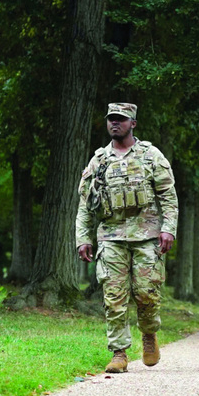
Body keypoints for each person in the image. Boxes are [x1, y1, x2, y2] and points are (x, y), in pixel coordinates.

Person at [76, 102, 178, 374]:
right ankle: (119, 352)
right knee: (114, 296)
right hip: (111, 237)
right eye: (111, 118)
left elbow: (168, 196)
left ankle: (149, 333)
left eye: (121, 119)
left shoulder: (150, 156)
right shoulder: (99, 160)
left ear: (133, 123)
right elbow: (85, 204)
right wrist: (83, 238)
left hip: (147, 236)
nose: (115, 123)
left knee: (147, 293)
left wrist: (168, 228)